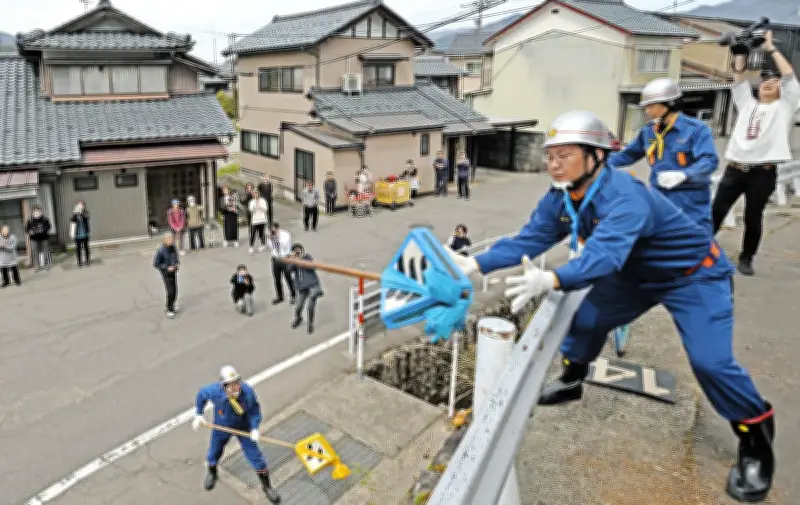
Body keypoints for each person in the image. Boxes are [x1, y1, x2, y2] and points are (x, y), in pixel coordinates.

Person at [445, 110, 775, 504]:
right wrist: (476, 263)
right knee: (584, 319)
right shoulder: (562, 195)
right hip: (636, 275)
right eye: (550, 156)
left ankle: (755, 436)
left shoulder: (624, 195)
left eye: (564, 155)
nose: (553, 163)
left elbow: (603, 257)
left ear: (597, 156)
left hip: (691, 276)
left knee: (711, 362)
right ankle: (571, 379)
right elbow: (533, 237)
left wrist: (552, 278)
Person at [712, 30, 799, 276]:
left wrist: (770, 47)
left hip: (763, 173)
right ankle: (699, 252)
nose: (768, 83)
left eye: (774, 82)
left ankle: (746, 258)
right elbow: (738, 77)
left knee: (753, 218)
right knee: (716, 212)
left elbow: (789, 76)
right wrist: (741, 52)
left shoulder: (785, 108)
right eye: (764, 82)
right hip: (734, 169)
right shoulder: (747, 103)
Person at [608, 77, 718, 234]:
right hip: (659, 196)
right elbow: (627, 155)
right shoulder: (649, 131)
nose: (647, 110)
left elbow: (709, 160)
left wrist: (683, 174)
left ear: (669, 103)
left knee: (696, 240)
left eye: (651, 105)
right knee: (661, 241)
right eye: (645, 106)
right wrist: (593, 166)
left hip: (689, 198)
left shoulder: (696, 130)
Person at [191, 366, 280, 503]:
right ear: (223, 386)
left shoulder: (247, 393)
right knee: (213, 453)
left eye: (237, 382)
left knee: (257, 458)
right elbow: (202, 394)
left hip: (243, 428)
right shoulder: (214, 391)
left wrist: (254, 427)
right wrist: (199, 414)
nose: (235, 387)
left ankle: (267, 486)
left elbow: (255, 412)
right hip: (221, 427)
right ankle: (212, 472)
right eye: (231, 385)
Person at [287, 243, 323, 334]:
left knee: (310, 307)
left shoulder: (307, 257)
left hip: (312, 285)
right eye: (295, 251)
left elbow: (311, 267)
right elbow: (289, 270)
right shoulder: (293, 260)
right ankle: (298, 318)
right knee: (298, 307)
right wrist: (293, 260)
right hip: (302, 288)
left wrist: (300, 260)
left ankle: (310, 324)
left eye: (299, 250)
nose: (298, 252)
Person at [153, 233, 180, 319]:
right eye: (168, 239)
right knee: (170, 292)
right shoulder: (161, 250)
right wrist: (167, 268)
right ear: (164, 240)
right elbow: (156, 264)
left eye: (171, 239)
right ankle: (169, 309)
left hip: (173, 272)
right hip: (166, 273)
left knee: (175, 291)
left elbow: (175, 257)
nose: (170, 240)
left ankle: (171, 305)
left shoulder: (173, 247)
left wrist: (177, 264)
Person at [267, 222, 296, 305]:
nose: (273, 232)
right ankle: (280, 296)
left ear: (278, 228)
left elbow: (285, 246)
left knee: (288, 278)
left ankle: (293, 295)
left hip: (285, 258)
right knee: (277, 279)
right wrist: (270, 239)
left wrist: (276, 237)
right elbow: (270, 247)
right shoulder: (270, 236)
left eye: (274, 230)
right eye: (271, 230)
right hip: (276, 259)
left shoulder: (286, 234)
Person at [25, 204, 52, 271]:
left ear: (40, 211)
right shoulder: (30, 219)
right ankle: (37, 266)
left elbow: (49, 226)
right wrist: (30, 231)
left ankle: (47, 264)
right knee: (35, 252)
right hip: (34, 239)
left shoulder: (45, 218)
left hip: (44, 238)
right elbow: (26, 229)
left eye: (38, 210)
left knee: (46, 251)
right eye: (35, 210)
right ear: (33, 211)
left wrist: (43, 230)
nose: (36, 212)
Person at [69, 201, 91, 267]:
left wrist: (81, 213)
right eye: (79, 205)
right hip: (77, 235)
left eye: (81, 205)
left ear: (84, 206)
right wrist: (75, 214)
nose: (80, 206)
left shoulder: (86, 213)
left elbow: (87, 217)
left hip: (85, 234)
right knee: (78, 249)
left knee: (86, 248)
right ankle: (79, 262)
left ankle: (87, 260)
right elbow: (72, 220)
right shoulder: (75, 214)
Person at [248, 190, 268, 255]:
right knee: (253, 234)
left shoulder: (263, 200)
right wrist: (255, 204)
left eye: (256, 193)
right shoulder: (252, 202)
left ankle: (263, 245)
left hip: (262, 220)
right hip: (255, 221)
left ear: (258, 194)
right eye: (254, 194)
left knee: (262, 234)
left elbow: (265, 209)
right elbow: (251, 210)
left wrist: (260, 206)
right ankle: (251, 247)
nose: (255, 195)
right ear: (253, 195)